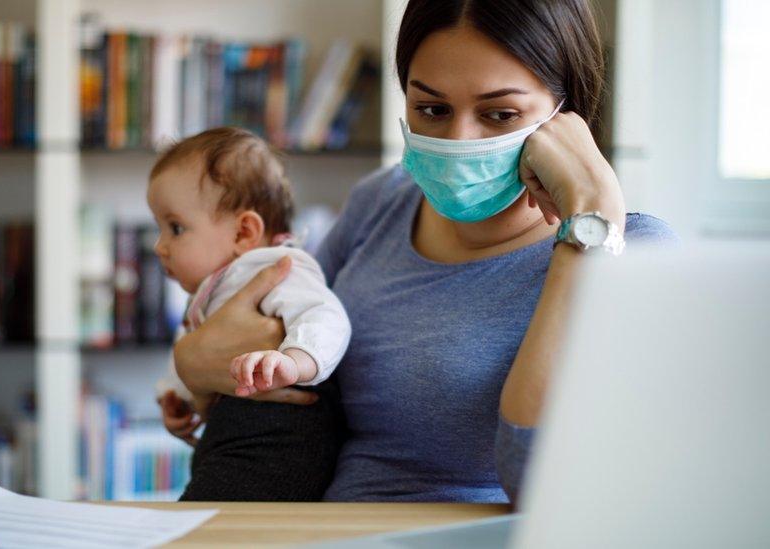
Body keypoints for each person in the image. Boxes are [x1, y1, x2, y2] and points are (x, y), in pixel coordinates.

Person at [167, 0, 678, 503]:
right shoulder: (381, 202)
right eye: (431, 109)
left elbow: (541, 484)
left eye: (500, 114)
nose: (458, 139)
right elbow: (272, 354)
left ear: (569, 116)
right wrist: (191, 363)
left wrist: (589, 219)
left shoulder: (633, 255)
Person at [149, 127, 352, 501]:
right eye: (159, 228)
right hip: (232, 436)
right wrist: (175, 394)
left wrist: (296, 361)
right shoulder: (215, 286)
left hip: (281, 441)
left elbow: (326, 315)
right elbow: (196, 345)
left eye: (176, 228)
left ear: (244, 232)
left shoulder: (276, 267)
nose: (160, 246)